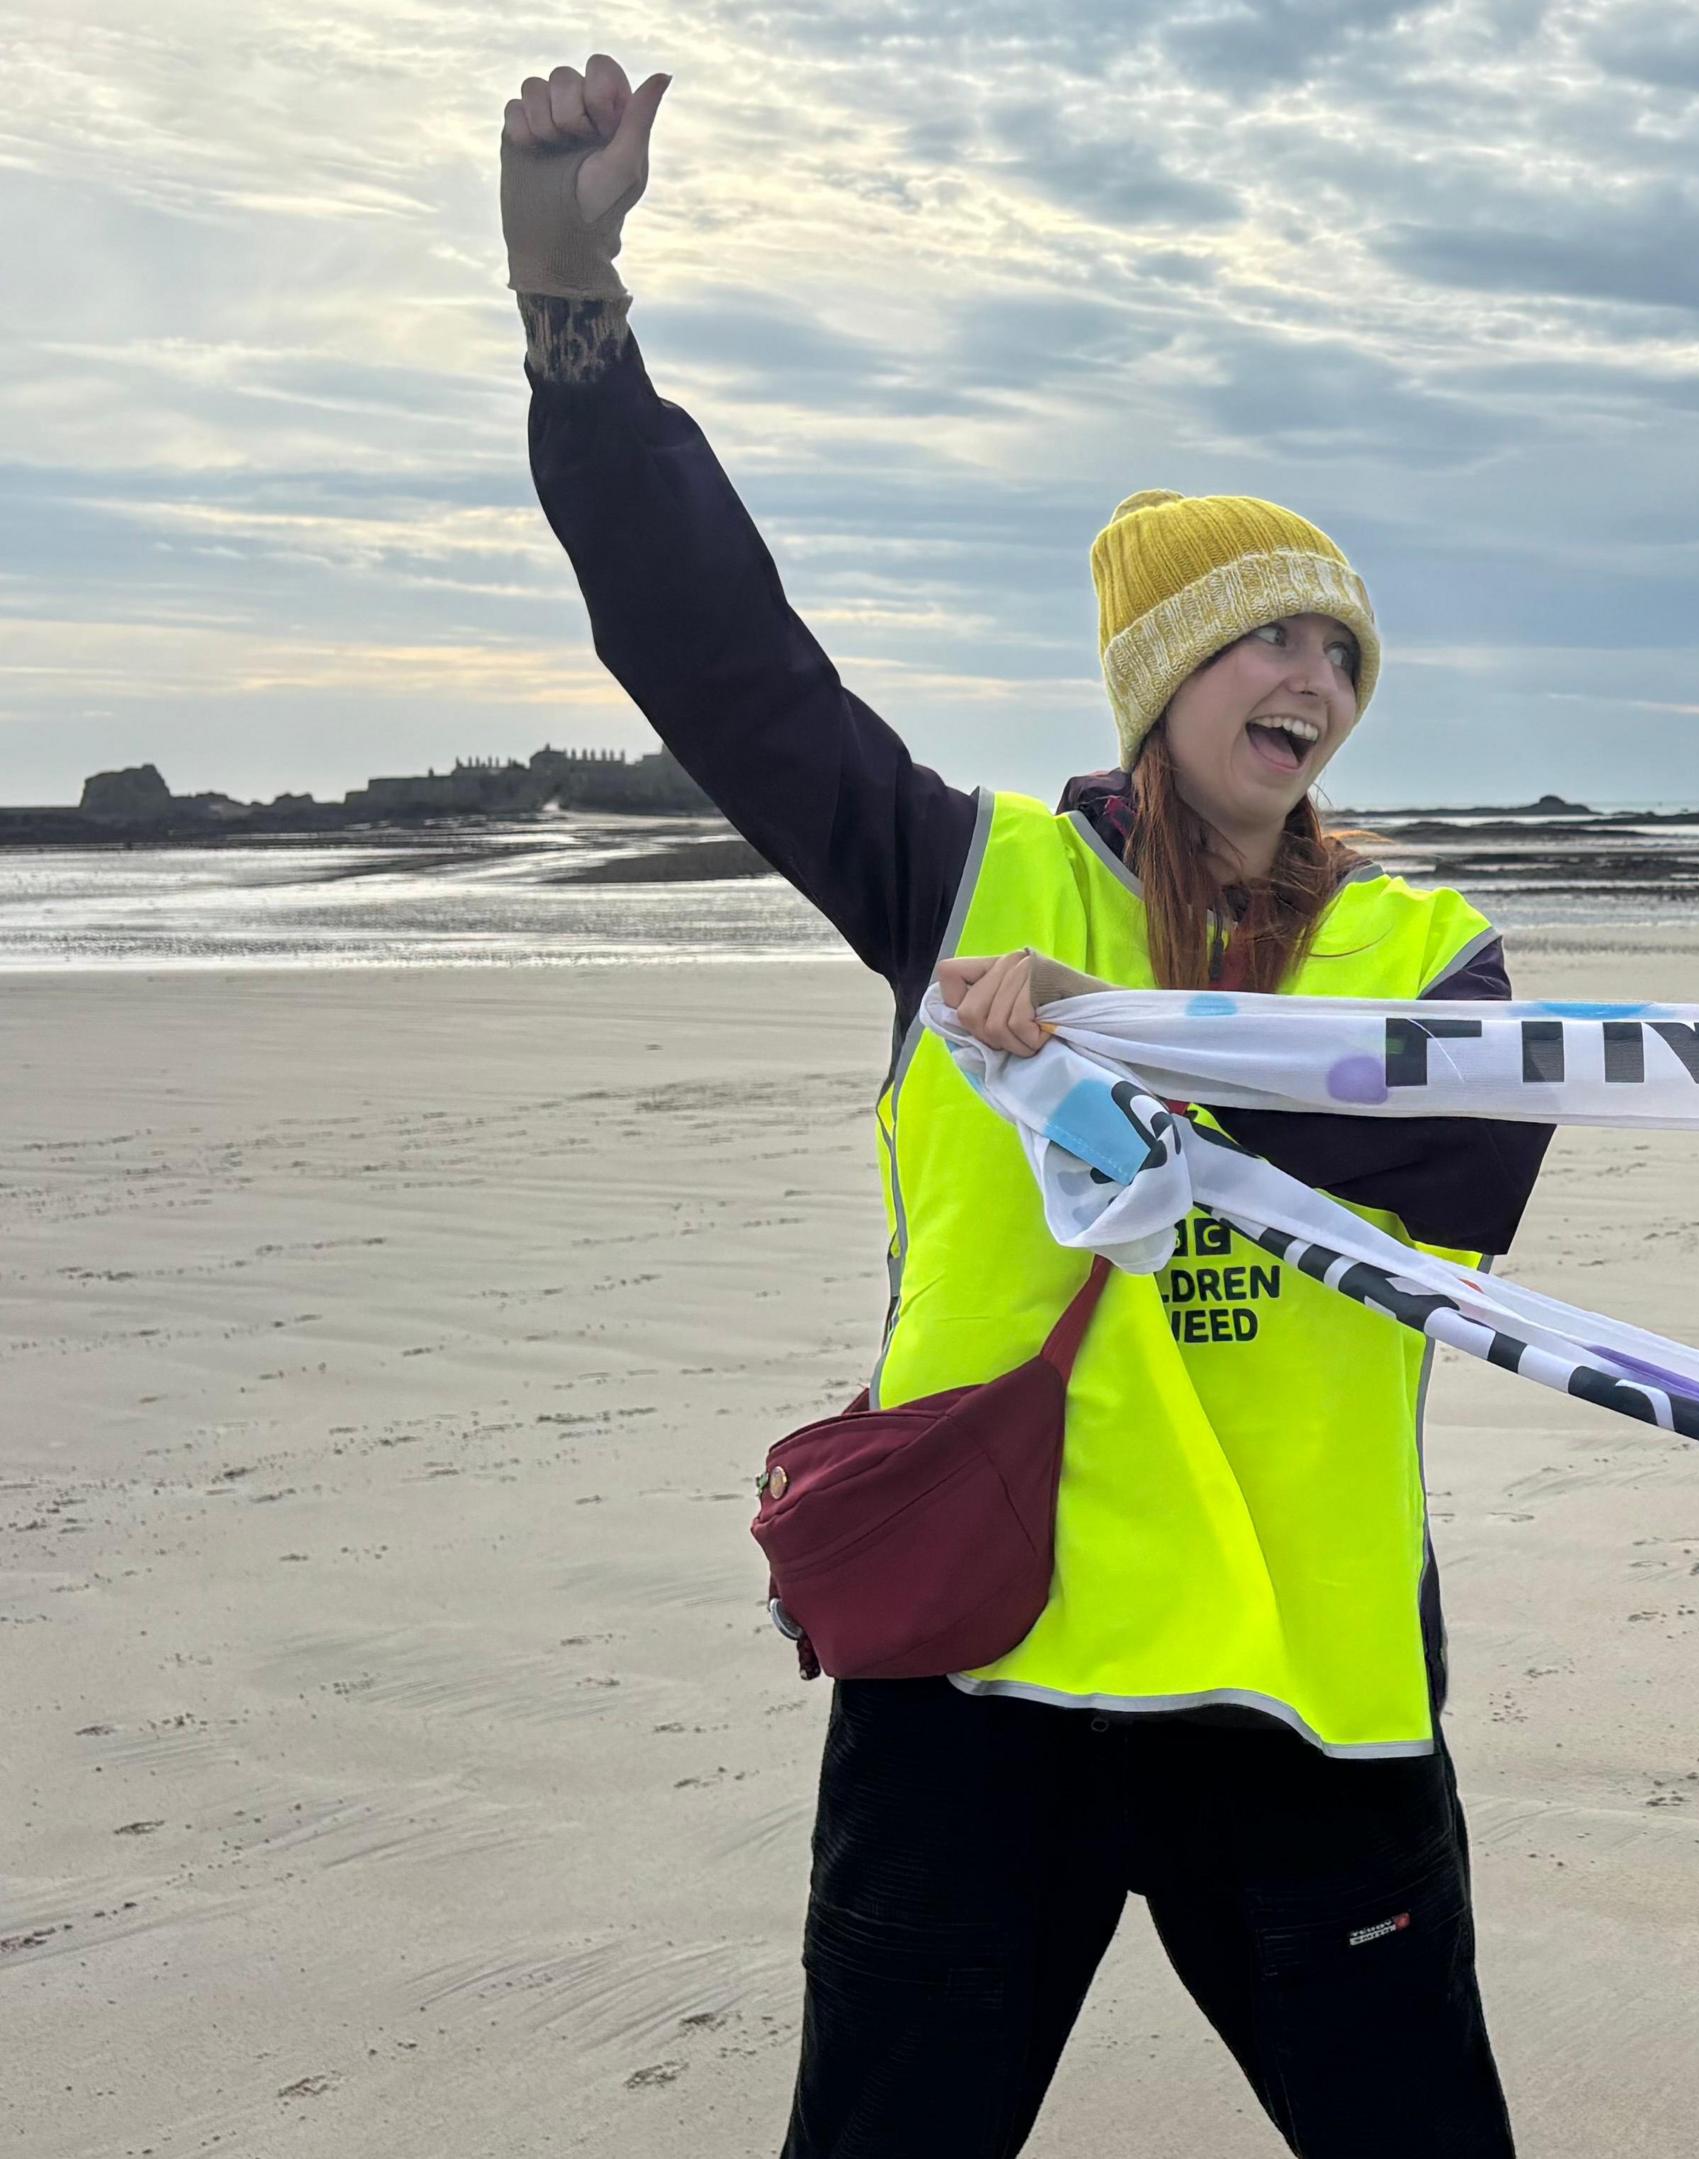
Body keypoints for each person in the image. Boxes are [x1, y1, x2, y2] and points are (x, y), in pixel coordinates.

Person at [500, 55, 1542, 2157]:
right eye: (1270, 645)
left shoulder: (1422, 944)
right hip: (983, 1675)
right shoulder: (962, 876)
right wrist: (574, 311)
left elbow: (1470, 1175)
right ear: (1161, 682)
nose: (1317, 686)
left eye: (1341, 652)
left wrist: (1153, 1067)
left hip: (1303, 1680)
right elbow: (720, 657)